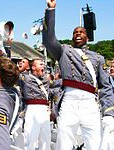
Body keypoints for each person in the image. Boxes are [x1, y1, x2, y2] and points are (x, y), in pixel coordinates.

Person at [42, 0, 114, 149]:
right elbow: (48, 40)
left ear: (87, 38)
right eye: (75, 32)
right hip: (69, 101)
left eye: (81, 32)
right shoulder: (64, 51)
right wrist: (51, 10)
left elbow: (106, 87)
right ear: (72, 37)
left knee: (94, 143)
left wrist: (109, 112)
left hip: (90, 103)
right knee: (64, 142)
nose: (78, 34)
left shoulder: (98, 58)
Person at [18, 58, 51, 150]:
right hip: (32, 109)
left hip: (44, 110)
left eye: (43, 64)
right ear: (33, 67)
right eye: (40, 64)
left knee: (46, 140)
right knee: (30, 139)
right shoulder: (25, 78)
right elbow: (10, 73)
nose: (43, 66)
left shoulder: (46, 80)